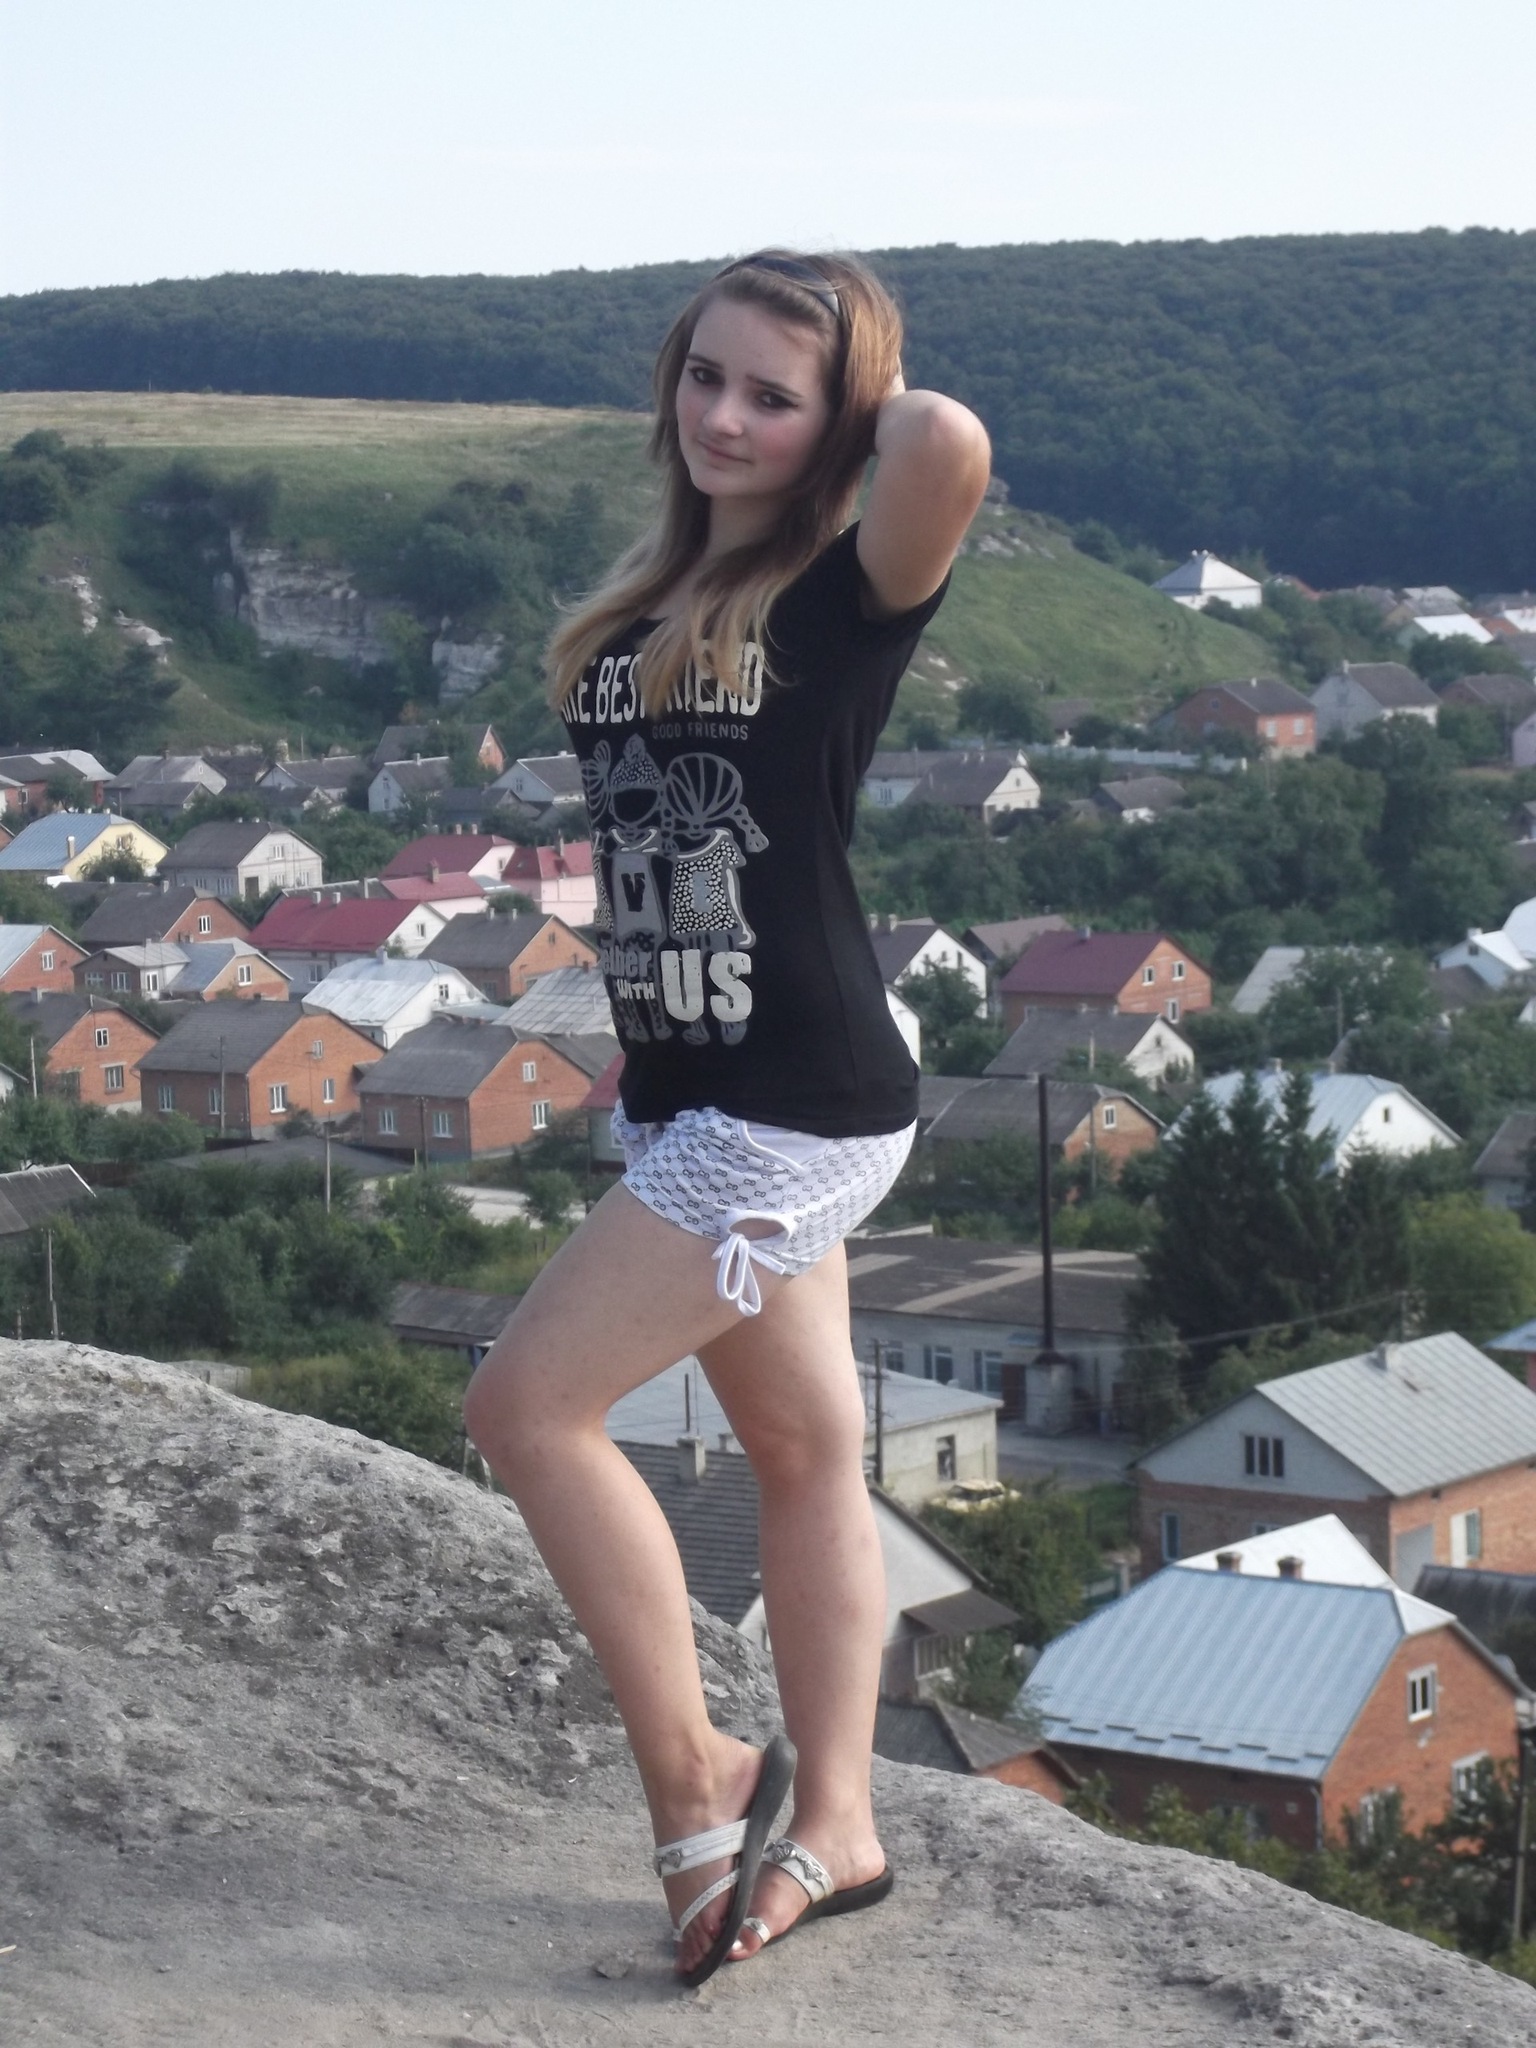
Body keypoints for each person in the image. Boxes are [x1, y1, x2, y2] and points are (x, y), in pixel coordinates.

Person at [463, 249, 990, 1987]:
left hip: (797, 1098)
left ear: (832, 420)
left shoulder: (846, 592)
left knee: (527, 1407)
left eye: (773, 395)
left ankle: (699, 1778)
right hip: (688, 1087)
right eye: (705, 376)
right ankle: (840, 1824)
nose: (725, 417)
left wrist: (856, 400)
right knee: (805, 1452)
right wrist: (792, 391)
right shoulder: (651, 597)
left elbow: (947, 442)